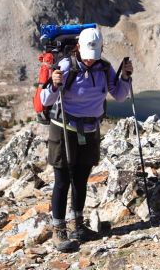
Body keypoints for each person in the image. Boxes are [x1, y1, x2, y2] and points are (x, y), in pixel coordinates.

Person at [40, 25, 133, 252]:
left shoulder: (104, 68)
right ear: (78, 48)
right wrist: (53, 83)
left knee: (81, 178)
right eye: (86, 55)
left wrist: (125, 76)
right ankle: (58, 230)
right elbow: (45, 99)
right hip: (63, 129)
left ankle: (77, 225)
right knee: (63, 180)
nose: (90, 60)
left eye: (94, 55)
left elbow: (120, 95)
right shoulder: (65, 66)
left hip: (90, 130)